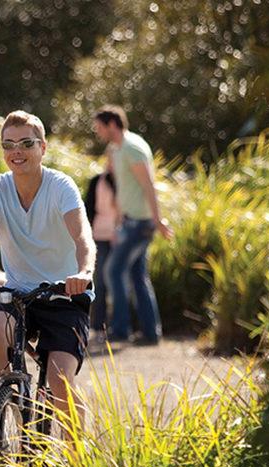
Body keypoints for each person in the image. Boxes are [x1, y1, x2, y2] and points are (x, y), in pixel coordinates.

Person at [0, 111, 95, 450]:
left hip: (64, 296)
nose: (16, 151)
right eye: (8, 145)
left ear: (43, 147)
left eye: (26, 143)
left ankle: (77, 460)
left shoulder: (61, 187)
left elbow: (82, 236)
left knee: (59, 381)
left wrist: (84, 272)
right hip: (18, 294)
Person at [92, 105, 173, 346]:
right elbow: (121, 188)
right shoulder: (116, 149)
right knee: (137, 276)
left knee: (113, 271)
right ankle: (150, 333)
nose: (98, 132)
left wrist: (158, 220)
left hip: (141, 223)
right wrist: (117, 223)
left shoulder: (132, 147)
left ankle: (120, 329)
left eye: (100, 127)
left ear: (112, 124)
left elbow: (148, 185)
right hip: (128, 221)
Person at [83, 154, 118, 335]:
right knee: (100, 281)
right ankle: (98, 324)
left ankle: (117, 325)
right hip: (100, 236)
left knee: (118, 283)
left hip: (121, 238)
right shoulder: (97, 181)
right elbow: (88, 209)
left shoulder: (126, 182)